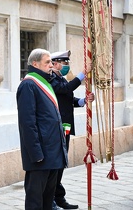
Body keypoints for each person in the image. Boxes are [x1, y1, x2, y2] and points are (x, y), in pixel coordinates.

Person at [17, 48, 68, 210]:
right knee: (35, 200)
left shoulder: (45, 82)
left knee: (47, 200)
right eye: (47, 62)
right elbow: (28, 123)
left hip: (52, 153)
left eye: (51, 62)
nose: (51, 66)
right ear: (35, 64)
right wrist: (36, 153)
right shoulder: (29, 85)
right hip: (40, 156)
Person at [49, 50, 94, 210]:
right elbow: (66, 90)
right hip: (57, 128)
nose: (67, 66)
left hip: (66, 127)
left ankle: (59, 198)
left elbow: (67, 98)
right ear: (54, 64)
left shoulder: (60, 78)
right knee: (56, 164)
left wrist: (83, 101)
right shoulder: (51, 78)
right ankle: (52, 199)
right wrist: (83, 74)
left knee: (61, 163)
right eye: (64, 63)